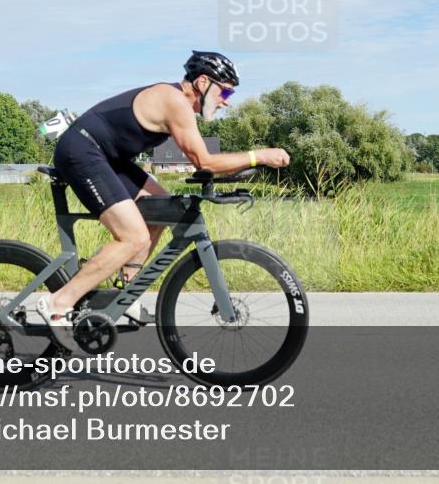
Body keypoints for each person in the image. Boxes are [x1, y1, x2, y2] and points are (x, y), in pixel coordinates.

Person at [37, 51, 290, 350]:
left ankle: (123, 294)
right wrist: (258, 156)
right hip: (81, 151)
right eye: (225, 91)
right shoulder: (175, 102)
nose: (227, 100)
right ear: (203, 82)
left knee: (160, 207)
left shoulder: (178, 102)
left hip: (107, 156)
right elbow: (203, 161)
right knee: (132, 237)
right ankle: (58, 302)